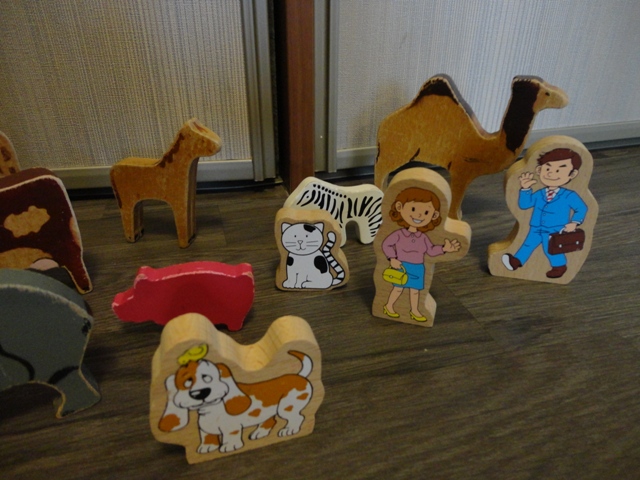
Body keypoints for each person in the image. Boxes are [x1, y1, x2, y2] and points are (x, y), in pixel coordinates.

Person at [502, 148, 588, 278]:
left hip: (556, 229)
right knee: (527, 244)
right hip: (536, 227)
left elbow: (581, 208)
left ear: (572, 174)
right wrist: (525, 189)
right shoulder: (540, 193)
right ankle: (516, 261)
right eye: (547, 169)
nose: (551, 174)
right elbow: (525, 205)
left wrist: (574, 223)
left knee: (551, 249)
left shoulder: (569, 195)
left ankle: (559, 266)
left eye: (559, 170)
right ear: (539, 170)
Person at [381, 187, 460, 321]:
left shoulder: (422, 237)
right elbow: (386, 244)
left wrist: (444, 248)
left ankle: (415, 311)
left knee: (415, 291)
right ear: (399, 207)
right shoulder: (399, 234)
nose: (419, 215)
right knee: (398, 288)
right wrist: (392, 258)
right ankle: (388, 306)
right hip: (401, 265)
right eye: (413, 209)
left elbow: (431, 250)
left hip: (418, 267)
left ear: (434, 215)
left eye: (426, 212)